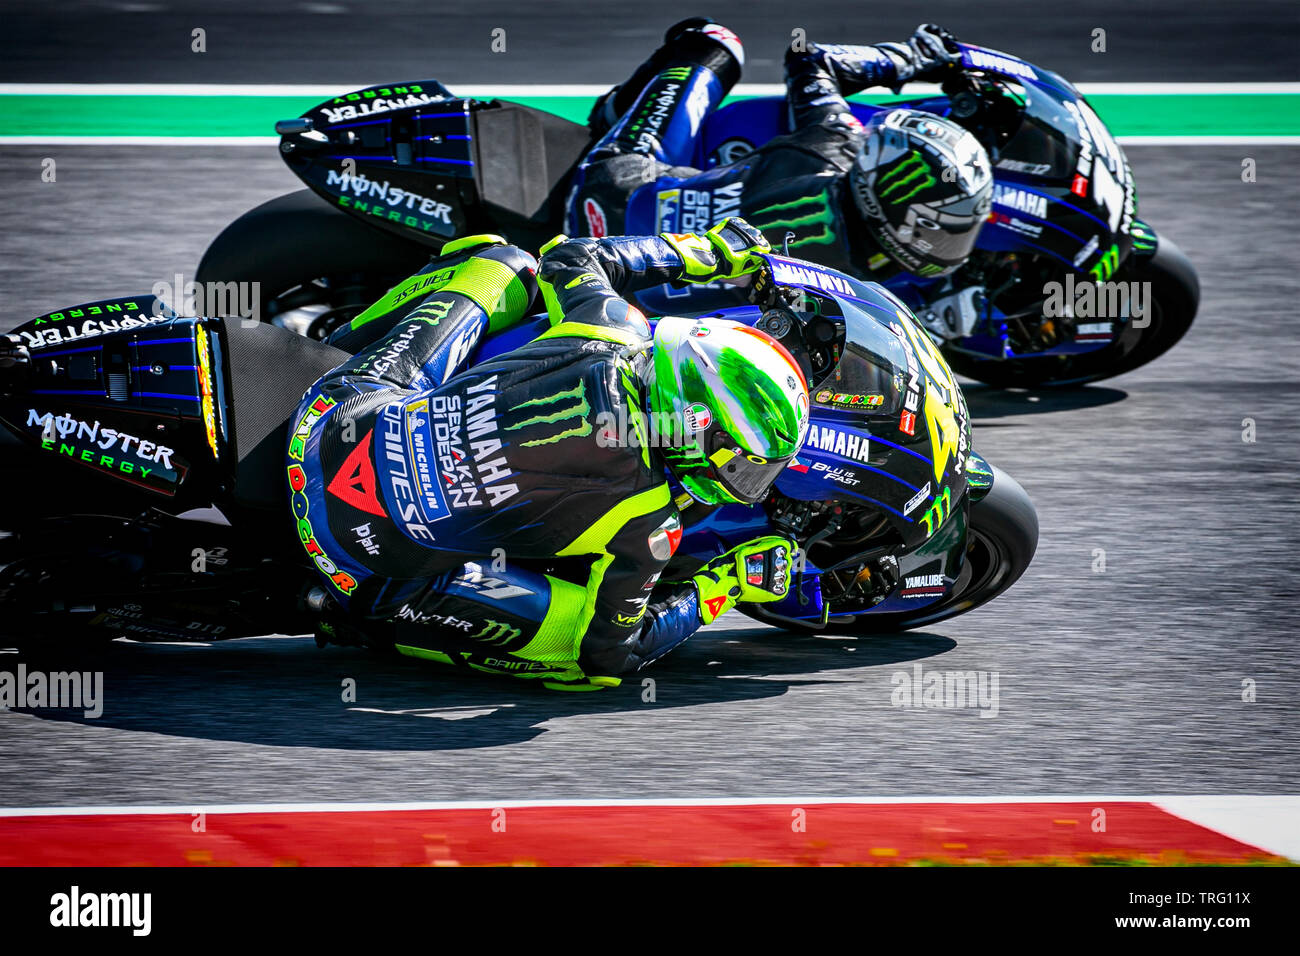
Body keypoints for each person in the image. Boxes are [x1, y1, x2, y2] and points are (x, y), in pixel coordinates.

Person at [288, 217, 809, 690]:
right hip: (352, 561)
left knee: (503, 264)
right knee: (578, 662)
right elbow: (609, 655)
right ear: (696, 423)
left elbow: (571, 255)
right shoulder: (648, 523)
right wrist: (724, 586)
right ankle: (360, 623)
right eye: (743, 461)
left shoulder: (610, 327)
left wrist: (706, 251)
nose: (746, 480)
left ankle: (328, 349)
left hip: (328, 416)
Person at [572, 19, 993, 287]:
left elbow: (807, 57)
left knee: (713, 40)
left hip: (610, 199)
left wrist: (914, 59)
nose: (946, 243)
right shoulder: (850, 289)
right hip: (622, 283)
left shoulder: (836, 139)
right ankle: (606, 120)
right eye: (944, 230)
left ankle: (615, 114)